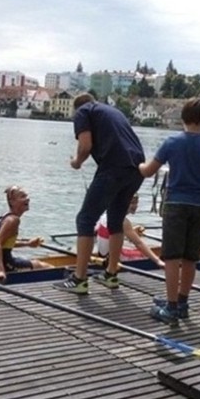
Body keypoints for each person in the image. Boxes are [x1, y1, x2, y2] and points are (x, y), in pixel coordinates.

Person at [139, 97, 200, 323]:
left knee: (172, 257)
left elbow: (148, 171)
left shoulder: (172, 142)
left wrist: (138, 164)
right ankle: (182, 303)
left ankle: (170, 308)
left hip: (176, 204)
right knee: (190, 257)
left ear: (183, 117)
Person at [58, 93, 146, 293]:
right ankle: (111, 274)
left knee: (85, 219)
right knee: (116, 221)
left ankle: (79, 279)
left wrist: (76, 162)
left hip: (113, 168)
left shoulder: (83, 111)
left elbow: (85, 146)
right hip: (136, 168)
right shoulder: (113, 111)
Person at [0, 186, 52, 282]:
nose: (27, 199)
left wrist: (28, 244)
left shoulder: (5, 217)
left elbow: (3, 244)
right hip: (5, 265)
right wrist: (1, 271)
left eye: (26, 196)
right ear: (12, 202)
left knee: (37, 263)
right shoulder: (13, 220)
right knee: (45, 267)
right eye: (22, 196)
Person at [95, 193, 163, 268]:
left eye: (136, 202)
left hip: (103, 255)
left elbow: (108, 234)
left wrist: (131, 231)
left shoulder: (105, 216)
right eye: (132, 203)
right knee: (143, 255)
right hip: (114, 259)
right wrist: (157, 260)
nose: (135, 206)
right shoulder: (123, 222)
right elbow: (139, 244)